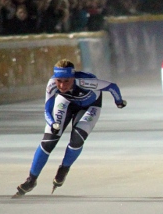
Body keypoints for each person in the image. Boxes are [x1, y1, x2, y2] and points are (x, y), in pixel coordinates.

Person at [13, 59, 126, 197]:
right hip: (66, 102)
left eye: (67, 81)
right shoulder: (51, 84)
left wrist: (119, 102)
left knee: (77, 138)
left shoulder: (85, 81)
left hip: (90, 106)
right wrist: (52, 123)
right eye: (59, 81)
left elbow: (112, 87)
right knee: (48, 141)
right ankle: (31, 180)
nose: (62, 85)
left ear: (73, 78)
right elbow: (47, 110)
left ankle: (64, 169)